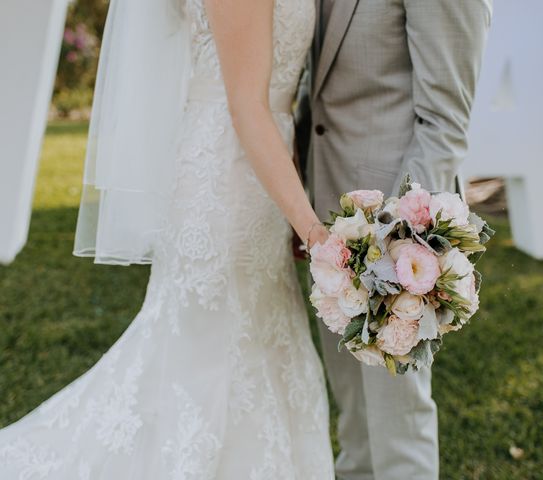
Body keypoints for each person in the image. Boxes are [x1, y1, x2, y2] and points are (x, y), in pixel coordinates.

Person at [0, 0, 335, 478]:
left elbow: (275, 99)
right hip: (226, 178)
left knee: (260, 336)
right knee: (208, 351)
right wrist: (315, 229)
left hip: (262, 174)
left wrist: (293, 203)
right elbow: (246, 105)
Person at [296, 1, 492, 478]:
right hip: (329, 213)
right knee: (354, 410)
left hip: (396, 230)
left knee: (397, 411)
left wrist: (403, 240)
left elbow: (445, 122)